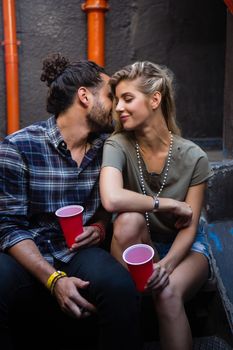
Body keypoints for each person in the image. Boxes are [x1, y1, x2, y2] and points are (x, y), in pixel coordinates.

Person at [0, 53, 142, 350]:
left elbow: (107, 204)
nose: (117, 107)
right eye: (110, 96)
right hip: (27, 255)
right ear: (84, 97)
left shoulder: (108, 149)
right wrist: (53, 280)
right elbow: (8, 226)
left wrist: (101, 227)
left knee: (119, 286)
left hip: (76, 251)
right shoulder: (18, 147)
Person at [100, 61, 213, 350]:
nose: (118, 108)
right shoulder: (118, 144)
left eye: (127, 99)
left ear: (154, 99)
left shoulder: (194, 157)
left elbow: (189, 229)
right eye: (116, 100)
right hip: (137, 244)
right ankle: (130, 296)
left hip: (184, 249)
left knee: (168, 292)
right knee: (127, 219)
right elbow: (111, 198)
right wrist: (169, 205)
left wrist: (167, 264)